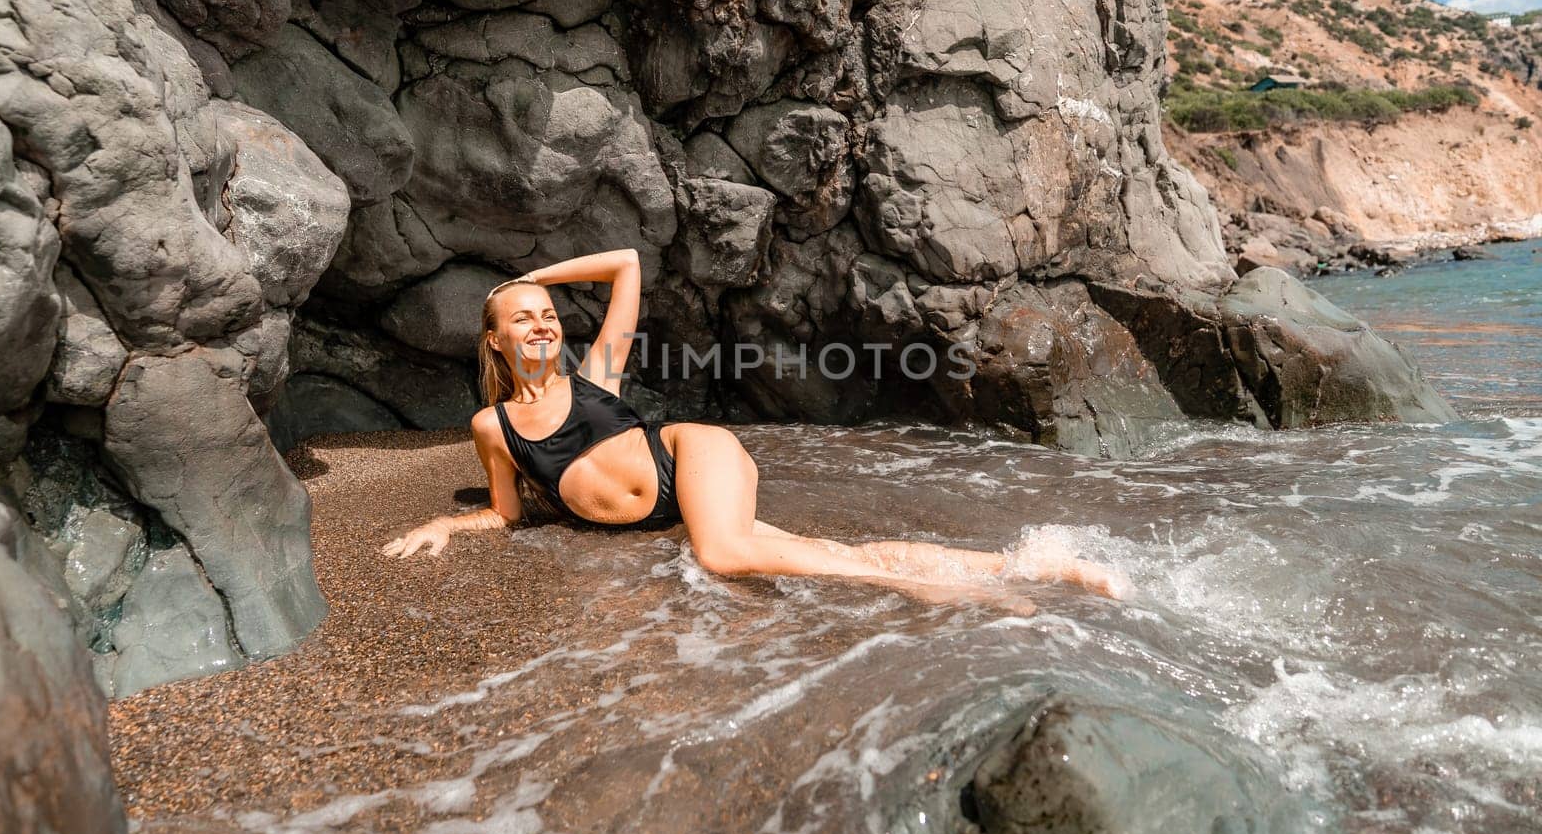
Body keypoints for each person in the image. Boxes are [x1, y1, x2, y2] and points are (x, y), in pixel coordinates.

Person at [379, 249, 1132, 605]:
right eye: (523, 320)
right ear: (497, 341)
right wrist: (446, 527)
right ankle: (1036, 565)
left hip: (691, 456)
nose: (541, 324)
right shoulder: (493, 426)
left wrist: (538, 278)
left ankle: (934, 591)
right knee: (828, 549)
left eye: (546, 316)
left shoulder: (596, 371)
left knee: (723, 554)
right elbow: (505, 512)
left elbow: (628, 266)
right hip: (669, 510)